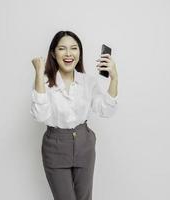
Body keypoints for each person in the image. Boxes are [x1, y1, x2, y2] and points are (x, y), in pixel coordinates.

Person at [30, 30, 118, 200]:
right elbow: (40, 115)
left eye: (74, 48)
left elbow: (106, 110)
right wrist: (39, 74)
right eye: (62, 48)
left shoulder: (88, 81)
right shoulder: (45, 81)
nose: (69, 53)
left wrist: (114, 78)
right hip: (55, 145)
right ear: (54, 54)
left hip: (84, 143)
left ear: (80, 53)